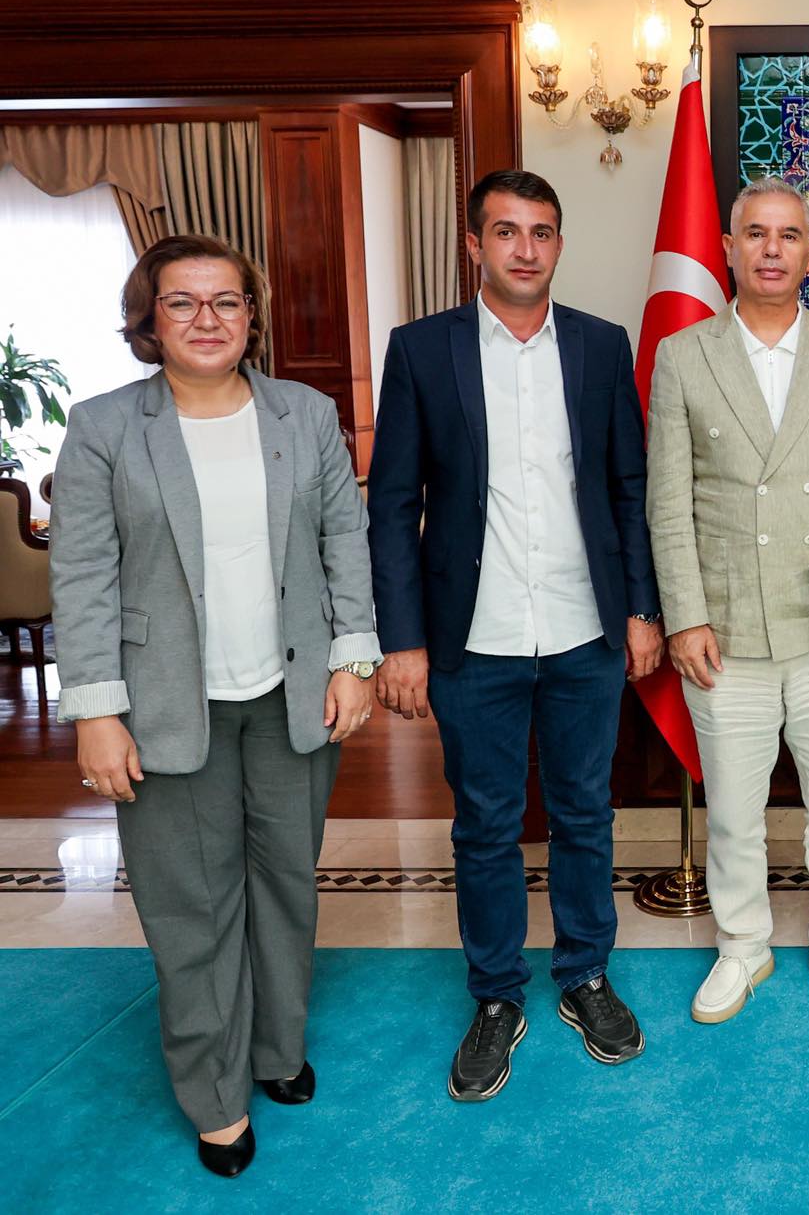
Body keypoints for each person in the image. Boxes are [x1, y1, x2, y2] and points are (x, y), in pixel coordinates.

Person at [51, 235, 381, 1177]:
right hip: (162, 706)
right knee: (191, 908)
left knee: (286, 887)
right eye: (183, 302)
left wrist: (355, 658)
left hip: (292, 697)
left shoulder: (304, 414)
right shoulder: (104, 427)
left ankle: (277, 1051)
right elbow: (82, 575)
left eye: (226, 301)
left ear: (251, 315)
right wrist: (95, 711)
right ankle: (215, 1096)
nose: (207, 319)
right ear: (148, 319)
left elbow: (345, 540)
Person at [367, 170, 664, 1101]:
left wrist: (642, 610)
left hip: (584, 630)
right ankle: (497, 994)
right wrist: (402, 640)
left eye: (541, 231)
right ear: (475, 245)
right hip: (474, 636)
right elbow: (393, 504)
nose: (525, 249)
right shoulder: (422, 350)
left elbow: (628, 487)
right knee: (486, 826)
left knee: (585, 813)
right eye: (506, 231)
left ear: (559, 244)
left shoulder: (601, 345)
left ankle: (584, 975)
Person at [645, 177, 809, 1026]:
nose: (772, 249)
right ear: (728, 248)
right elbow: (668, 501)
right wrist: (684, 614)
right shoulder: (685, 354)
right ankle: (742, 946)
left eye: (789, 235)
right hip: (723, 629)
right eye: (756, 233)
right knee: (733, 815)